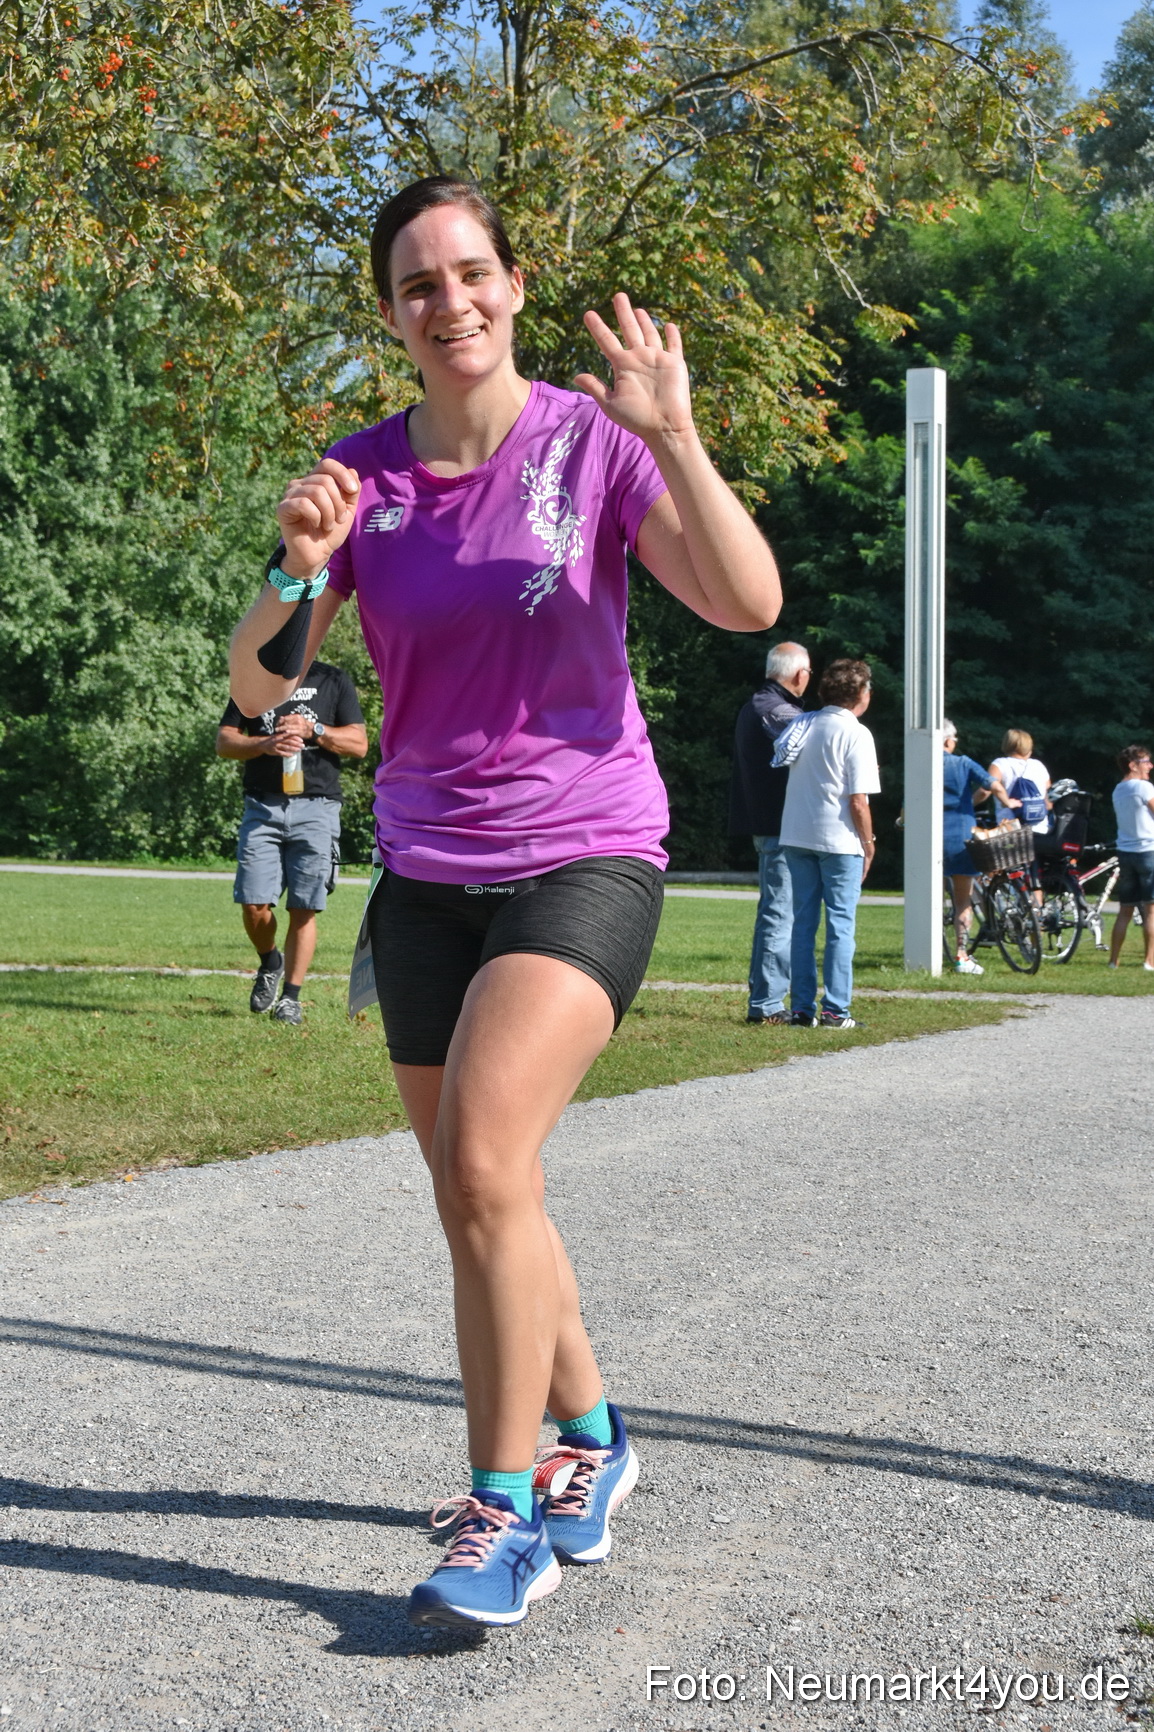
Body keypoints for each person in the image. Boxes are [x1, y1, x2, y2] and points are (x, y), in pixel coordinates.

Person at [226, 176, 780, 1628]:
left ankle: (504, 1507)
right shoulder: (360, 478)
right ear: (391, 313)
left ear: (514, 286)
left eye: (472, 273)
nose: (450, 302)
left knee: (479, 1160)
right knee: (484, 1191)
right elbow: (258, 687)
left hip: (585, 849)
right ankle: (596, 1438)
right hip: (423, 871)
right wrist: (292, 568)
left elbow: (747, 603)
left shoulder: (594, 445)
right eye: (418, 285)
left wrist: (673, 433)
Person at [217, 660, 368, 1023]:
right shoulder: (254, 678)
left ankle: (291, 999)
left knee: (304, 906)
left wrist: (313, 728)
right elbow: (224, 741)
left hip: (317, 807)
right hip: (263, 806)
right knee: (254, 904)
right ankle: (271, 961)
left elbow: (359, 744)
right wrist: (266, 744)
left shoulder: (332, 678)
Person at [779, 659, 878, 1030]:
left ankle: (803, 1010)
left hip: (796, 833)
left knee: (803, 924)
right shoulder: (857, 733)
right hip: (839, 840)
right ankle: (836, 1010)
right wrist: (868, 843)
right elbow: (858, 801)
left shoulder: (802, 724)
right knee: (841, 926)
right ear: (860, 695)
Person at [729, 642, 812, 1024]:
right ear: (800, 674)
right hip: (779, 826)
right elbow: (814, 749)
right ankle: (766, 1005)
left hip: (772, 824)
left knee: (779, 911)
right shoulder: (776, 710)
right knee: (779, 914)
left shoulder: (759, 704)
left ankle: (769, 999)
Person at [942, 719, 1019, 975]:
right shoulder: (962, 763)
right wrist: (1007, 800)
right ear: (948, 740)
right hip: (961, 836)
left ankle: (925, 952)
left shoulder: (920, 763)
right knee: (963, 901)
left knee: (934, 898)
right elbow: (992, 784)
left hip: (929, 838)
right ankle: (961, 956)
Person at [1108, 743, 1154, 971]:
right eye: (1146, 762)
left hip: (1125, 854)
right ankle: (1149, 961)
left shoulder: (1118, 789)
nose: (1151, 766)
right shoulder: (1144, 788)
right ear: (1132, 765)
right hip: (1148, 851)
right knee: (1151, 911)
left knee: (1125, 911)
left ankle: (1113, 961)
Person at [990, 729, 1051, 838]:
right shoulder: (1039, 766)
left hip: (1010, 831)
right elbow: (1047, 792)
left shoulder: (1000, 764)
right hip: (1040, 830)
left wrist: (969, 804)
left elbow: (985, 790)